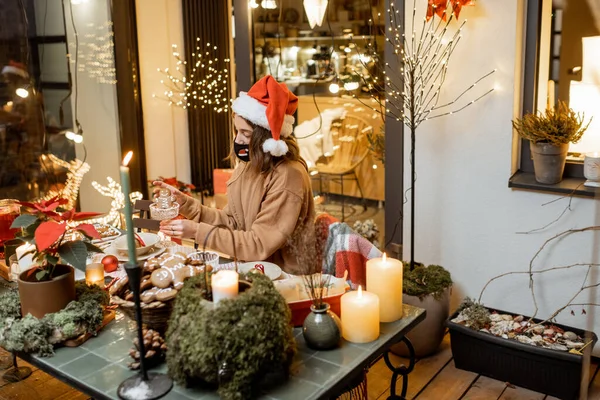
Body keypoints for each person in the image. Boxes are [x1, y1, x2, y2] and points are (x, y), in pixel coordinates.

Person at [155, 75, 316, 275]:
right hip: (253, 268)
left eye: (246, 134)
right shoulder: (249, 165)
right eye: (236, 131)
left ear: (265, 136)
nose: (238, 139)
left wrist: (197, 232)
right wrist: (187, 205)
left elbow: (258, 244)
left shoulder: (288, 176)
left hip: (283, 277)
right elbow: (232, 222)